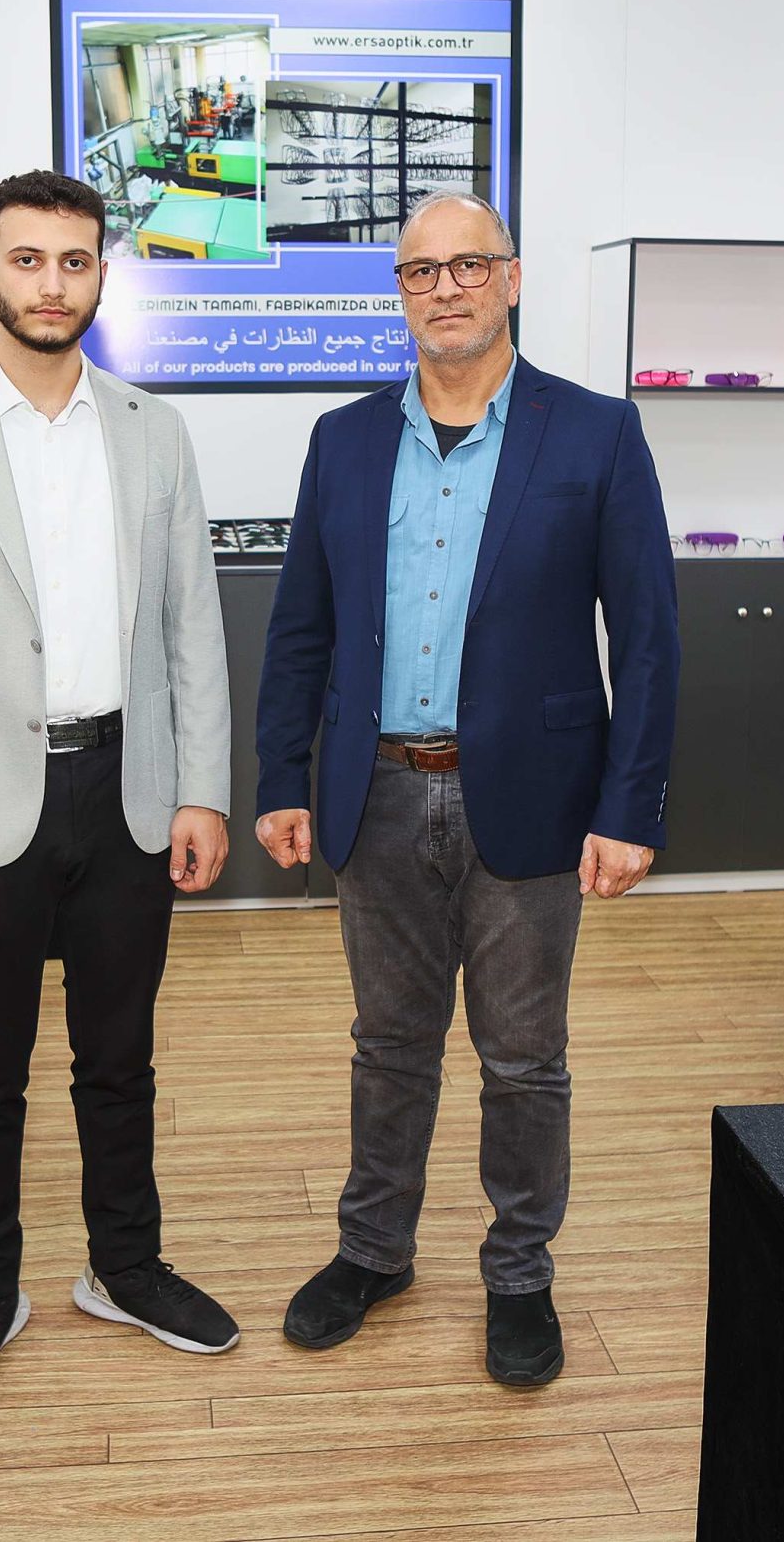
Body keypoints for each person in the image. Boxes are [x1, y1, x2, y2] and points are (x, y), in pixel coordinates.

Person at [252, 192, 680, 1386]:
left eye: (468, 265)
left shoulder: (595, 434)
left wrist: (629, 806)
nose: (444, 287)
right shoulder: (343, 440)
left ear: (511, 278)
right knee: (388, 1045)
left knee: (523, 1058)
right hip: (376, 791)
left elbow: (647, 639)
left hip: (535, 796)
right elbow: (300, 628)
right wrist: (280, 776)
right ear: (398, 292)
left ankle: (519, 1273)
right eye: (420, 270)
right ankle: (372, 1252)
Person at [0, 168, 238, 1412]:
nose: (51, 284)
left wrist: (202, 789)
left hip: (129, 793)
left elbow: (191, 628)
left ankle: (125, 1268)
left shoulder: (153, 430)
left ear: (101, 273)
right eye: (27, 260)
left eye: (73, 261)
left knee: (120, 1061)